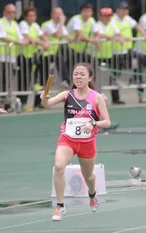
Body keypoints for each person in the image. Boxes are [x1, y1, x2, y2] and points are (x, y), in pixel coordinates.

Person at [40, 63, 111, 222]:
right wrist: (44, 99)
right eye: (75, 74)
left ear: (90, 77)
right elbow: (46, 104)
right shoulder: (67, 95)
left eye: (82, 74)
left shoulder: (96, 98)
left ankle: (92, 194)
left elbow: (107, 122)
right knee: (59, 167)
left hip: (87, 142)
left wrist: (93, 123)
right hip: (68, 139)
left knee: (89, 177)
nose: (78, 77)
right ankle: (60, 206)